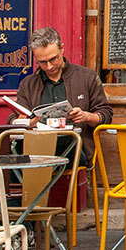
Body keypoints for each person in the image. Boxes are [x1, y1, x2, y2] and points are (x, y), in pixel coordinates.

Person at [15, 26, 113, 156]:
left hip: (75, 145)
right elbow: (14, 118)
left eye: (53, 59)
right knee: (15, 154)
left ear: (62, 48)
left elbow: (105, 115)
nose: (49, 66)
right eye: (42, 62)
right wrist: (23, 121)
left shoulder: (86, 77)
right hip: (37, 145)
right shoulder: (28, 84)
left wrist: (86, 116)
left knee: (30, 156)